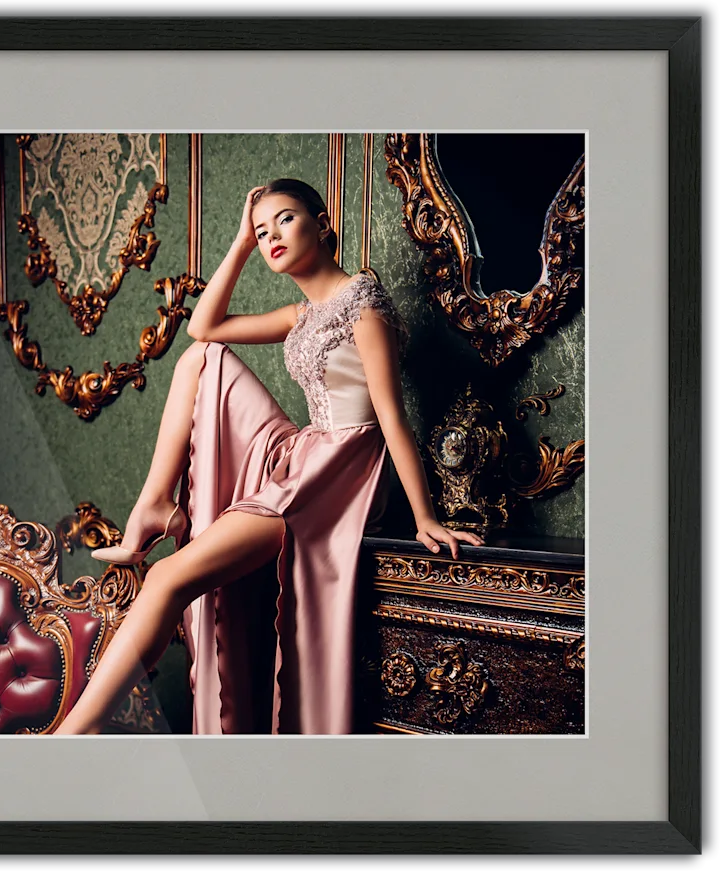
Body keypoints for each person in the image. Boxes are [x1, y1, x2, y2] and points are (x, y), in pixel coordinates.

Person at [53, 178, 483, 736]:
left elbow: (393, 419)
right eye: (262, 230)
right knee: (202, 357)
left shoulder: (365, 307)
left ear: (323, 222)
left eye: (283, 219)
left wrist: (425, 518)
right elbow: (203, 327)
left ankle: (72, 737)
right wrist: (238, 243)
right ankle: (157, 503)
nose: (270, 236)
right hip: (306, 453)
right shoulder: (301, 314)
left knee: (163, 579)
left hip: (342, 473)